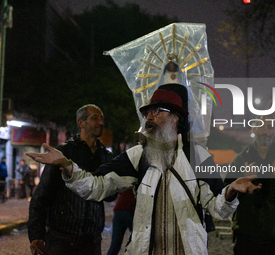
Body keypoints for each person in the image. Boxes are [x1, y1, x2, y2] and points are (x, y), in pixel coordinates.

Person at [28, 84, 262, 255]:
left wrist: (231, 191)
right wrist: (68, 166)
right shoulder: (137, 156)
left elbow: (218, 209)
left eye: (156, 111)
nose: (148, 117)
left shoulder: (199, 157)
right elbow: (96, 187)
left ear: (176, 118)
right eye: (147, 113)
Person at [28, 104, 114, 255]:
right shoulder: (64, 152)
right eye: (95, 118)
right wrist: (37, 235)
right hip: (62, 240)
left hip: (92, 242)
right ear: (81, 123)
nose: (101, 122)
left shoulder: (105, 156)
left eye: (102, 119)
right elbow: (41, 196)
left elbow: (111, 195)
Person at [225, 115, 275, 255]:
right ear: (254, 129)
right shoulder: (240, 160)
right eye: (261, 126)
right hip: (246, 242)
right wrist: (238, 183)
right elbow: (224, 199)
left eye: (270, 127)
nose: (265, 131)